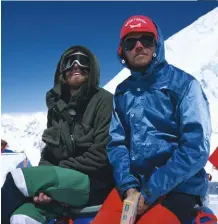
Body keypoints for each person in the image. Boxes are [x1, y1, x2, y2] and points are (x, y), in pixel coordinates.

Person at [92, 15, 212, 224]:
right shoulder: (122, 92)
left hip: (181, 186)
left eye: (146, 40)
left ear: (157, 45)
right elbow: (117, 144)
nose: (139, 46)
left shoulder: (184, 86)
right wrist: (128, 186)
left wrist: (151, 191)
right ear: (123, 51)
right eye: (131, 42)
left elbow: (195, 148)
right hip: (134, 187)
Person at [1, 45, 114, 224]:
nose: (76, 66)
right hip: (62, 183)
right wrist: (42, 189)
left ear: (91, 69)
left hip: (93, 184)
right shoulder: (56, 108)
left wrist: (52, 174)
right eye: (70, 62)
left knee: (17, 180)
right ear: (62, 71)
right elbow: (49, 151)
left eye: (83, 61)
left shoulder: (104, 101)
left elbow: (101, 154)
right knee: (22, 217)